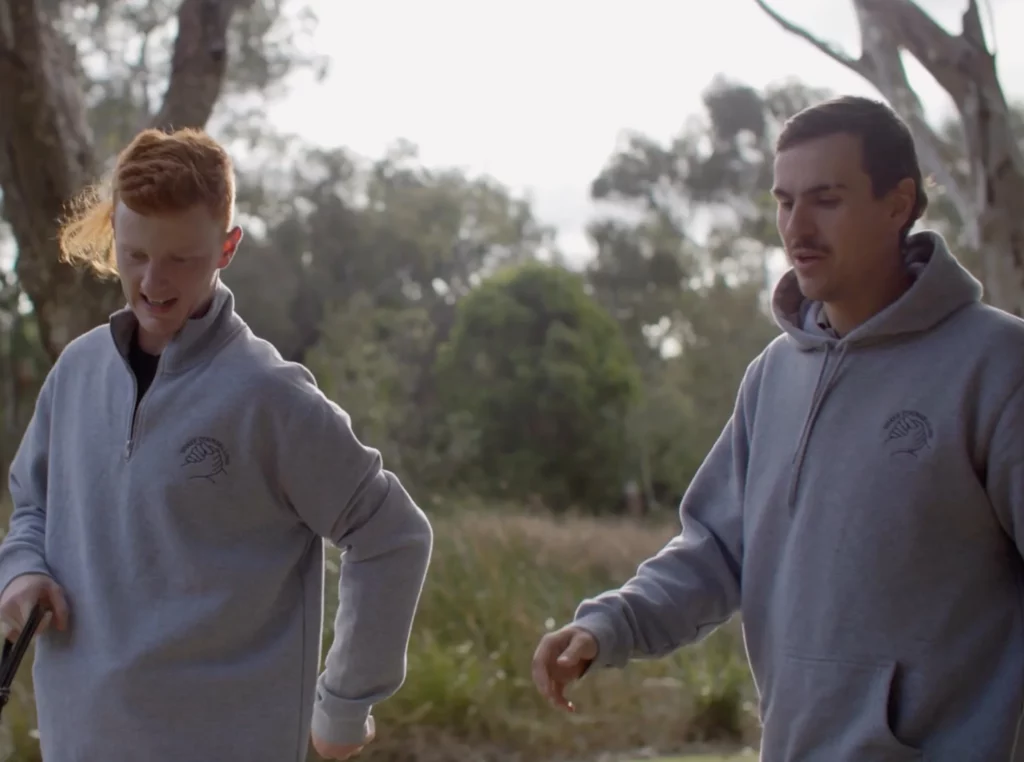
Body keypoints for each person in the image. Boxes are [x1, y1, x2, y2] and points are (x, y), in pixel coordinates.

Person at [532, 95, 1024, 761]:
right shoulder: (772, 378)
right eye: (785, 201)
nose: (798, 227)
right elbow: (716, 552)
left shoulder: (997, 367)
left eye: (826, 198)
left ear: (898, 203)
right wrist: (609, 624)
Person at [0, 127, 434, 761]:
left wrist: (344, 705)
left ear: (227, 247)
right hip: (79, 740)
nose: (153, 281)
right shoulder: (75, 372)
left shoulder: (270, 396)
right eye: (136, 253)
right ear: (114, 232)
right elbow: (32, 508)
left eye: (183, 258)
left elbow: (391, 534)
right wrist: (23, 573)